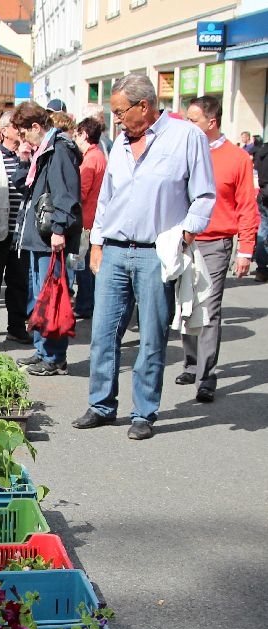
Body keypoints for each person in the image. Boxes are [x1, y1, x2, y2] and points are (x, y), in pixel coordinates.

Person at [72, 74, 215, 440]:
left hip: (156, 254)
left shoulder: (187, 138)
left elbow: (203, 196)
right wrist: (98, 243)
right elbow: (107, 198)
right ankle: (101, 405)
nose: (116, 119)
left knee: (152, 336)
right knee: (103, 333)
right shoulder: (119, 143)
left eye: (120, 111)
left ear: (144, 107)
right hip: (116, 250)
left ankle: (143, 412)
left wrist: (185, 235)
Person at [178, 96, 258, 402]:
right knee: (186, 306)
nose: (187, 124)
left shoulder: (238, 158)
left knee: (208, 309)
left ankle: (206, 377)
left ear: (211, 123)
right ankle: (191, 362)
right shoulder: (185, 152)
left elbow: (247, 207)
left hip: (216, 242)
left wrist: (245, 250)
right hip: (185, 240)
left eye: (193, 119)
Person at [10, 101, 83, 376]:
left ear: (36, 127)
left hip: (49, 235)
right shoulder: (43, 150)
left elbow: (66, 194)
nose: (23, 138)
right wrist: (24, 157)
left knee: (51, 297)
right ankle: (43, 350)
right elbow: (24, 185)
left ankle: (54, 356)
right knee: (41, 297)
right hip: (38, 235)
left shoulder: (59, 150)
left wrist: (59, 229)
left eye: (24, 133)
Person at [0, 110, 31, 342]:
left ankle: (17, 326)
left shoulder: (28, 155)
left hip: (20, 231)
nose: (20, 131)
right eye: (15, 126)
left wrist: (25, 159)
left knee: (18, 282)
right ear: (4, 131)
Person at [72, 116, 108, 319]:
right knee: (85, 265)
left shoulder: (90, 159)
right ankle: (88, 302)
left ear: (84, 135)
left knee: (82, 266)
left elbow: (81, 192)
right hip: (93, 218)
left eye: (77, 135)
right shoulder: (99, 156)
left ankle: (85, 304)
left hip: (86, 220)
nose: (75, 139)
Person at [253, 138, 268, 282]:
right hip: (265, 195)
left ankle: (261, 269)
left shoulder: (262, 152)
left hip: (263, 195)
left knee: (263, 231)